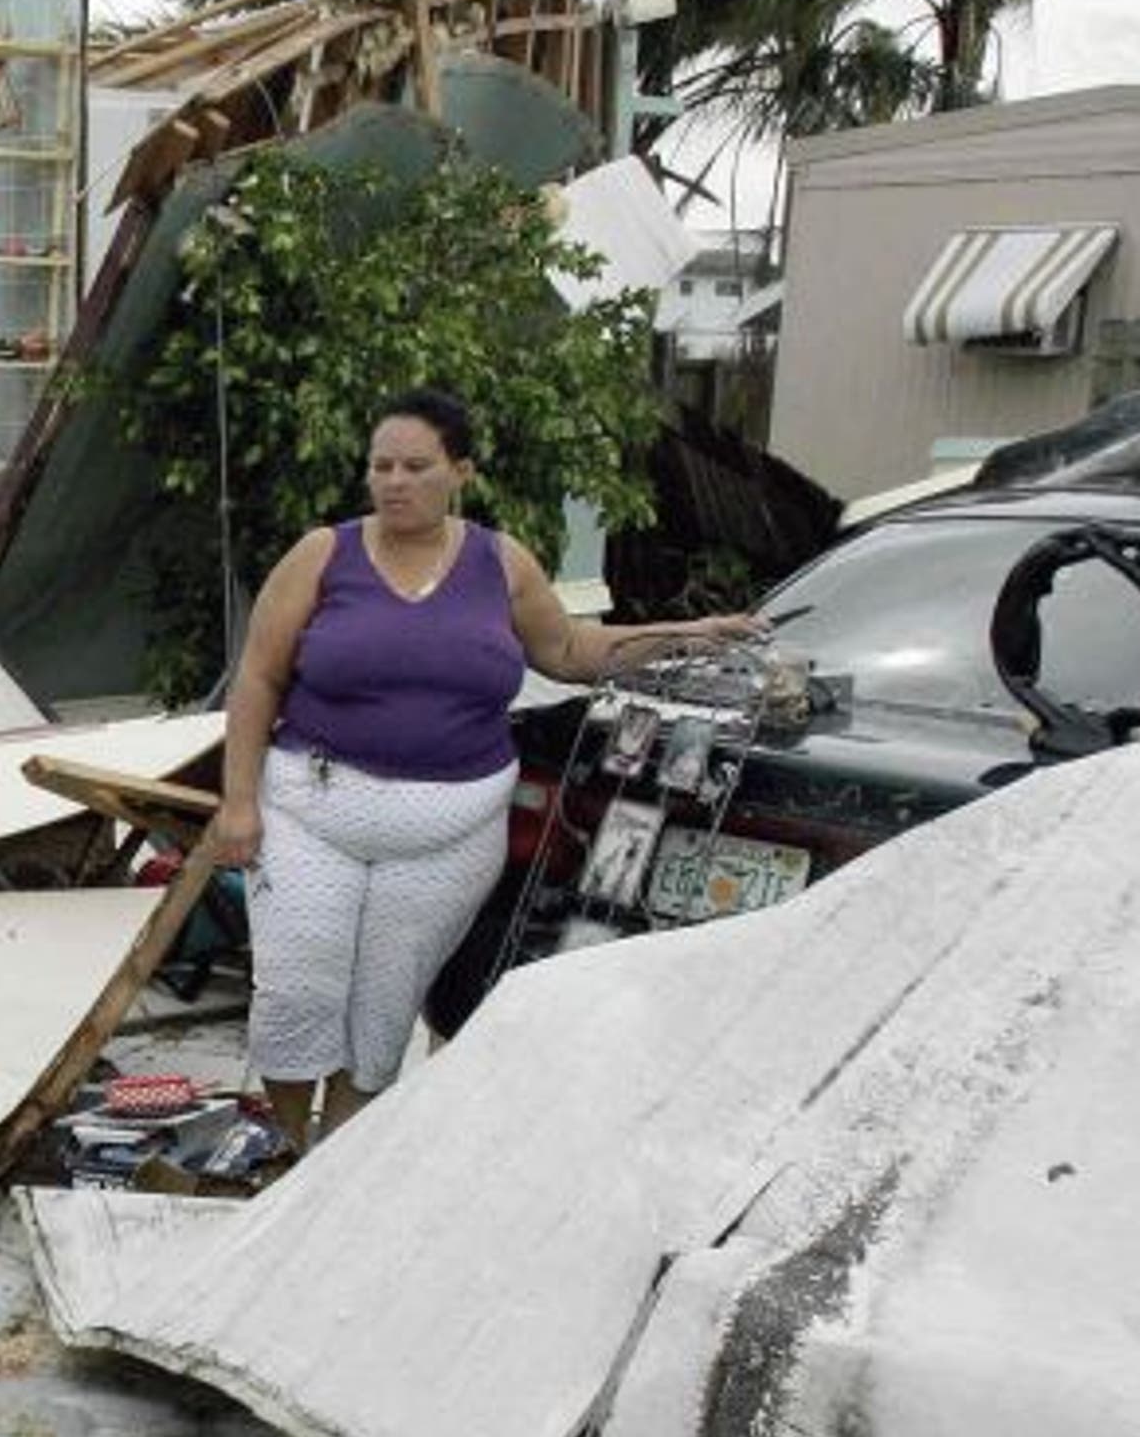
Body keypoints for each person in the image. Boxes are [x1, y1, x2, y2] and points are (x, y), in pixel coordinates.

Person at [209, 387, 760, 1147]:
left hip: (448, 834)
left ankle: (336, 1165)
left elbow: (570, 653)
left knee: (383, 1010)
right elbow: (259, 679)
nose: (394, 481)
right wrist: (238, 804)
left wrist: (688, 634)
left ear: (460, 470)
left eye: (416, 465)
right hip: (314, 812)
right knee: (296, 994)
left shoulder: (501, 563)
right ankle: (294, 1145)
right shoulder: (322, 555)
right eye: (381, 466)